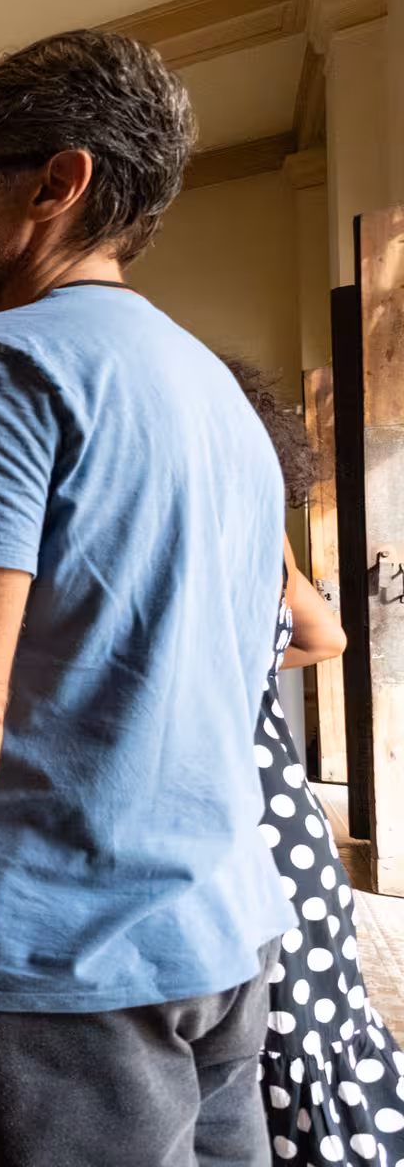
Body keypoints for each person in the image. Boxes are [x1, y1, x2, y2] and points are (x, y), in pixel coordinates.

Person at [0, 28, 293, 1167]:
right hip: (227, 938)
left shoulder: (4, 366)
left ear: (58, 180)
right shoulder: (223, 401)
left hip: (65, 968)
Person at [227, 357, 404, 1161]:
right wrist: (255, 667)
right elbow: (325, 635)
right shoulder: (262, 537)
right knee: (309, 1041)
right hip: (286, 824)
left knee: (234, 1064)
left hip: (225, 820)